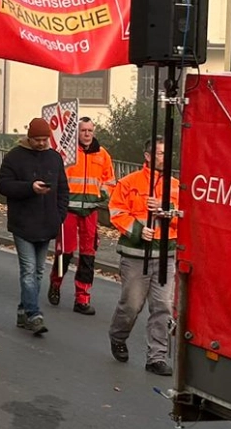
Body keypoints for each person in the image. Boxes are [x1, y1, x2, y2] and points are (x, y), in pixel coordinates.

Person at [108, 140, 181, 375]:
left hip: (166, 255)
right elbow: (116, 212)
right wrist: (139, 231)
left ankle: (156, 357)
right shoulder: (129, 182)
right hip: (136, 254)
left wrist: (165, 208)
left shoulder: (177, 187)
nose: (164, 157)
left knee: (163, 307)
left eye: (166, 153)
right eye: (159, 153)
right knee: (131, 305)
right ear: (148, 156)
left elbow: (185, 216)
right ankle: (118, 336)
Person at [0, 117, 69, 336]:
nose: (41, 143)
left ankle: (23, 310)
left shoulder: (54, 159)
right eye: (37, 139)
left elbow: (63, 190)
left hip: (47, 224)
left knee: (38, 271)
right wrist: (30, 187)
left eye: (44, 139)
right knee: (28, 270)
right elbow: (3, 185)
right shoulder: (14, 157)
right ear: (29, 137)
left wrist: (59, 216)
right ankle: (34, 313)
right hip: (23, 224)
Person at [49, 117, 115, 317]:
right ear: (77, 133)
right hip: (69, 209)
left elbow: (110, 180)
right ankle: (56, 283)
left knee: (88, 256)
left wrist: (102, 193)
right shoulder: (67, 154)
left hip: (91, 211)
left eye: (90, 130)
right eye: (83, 130)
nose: (87, 134)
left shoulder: (103, 155)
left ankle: (82, 299)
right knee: (65, 253)